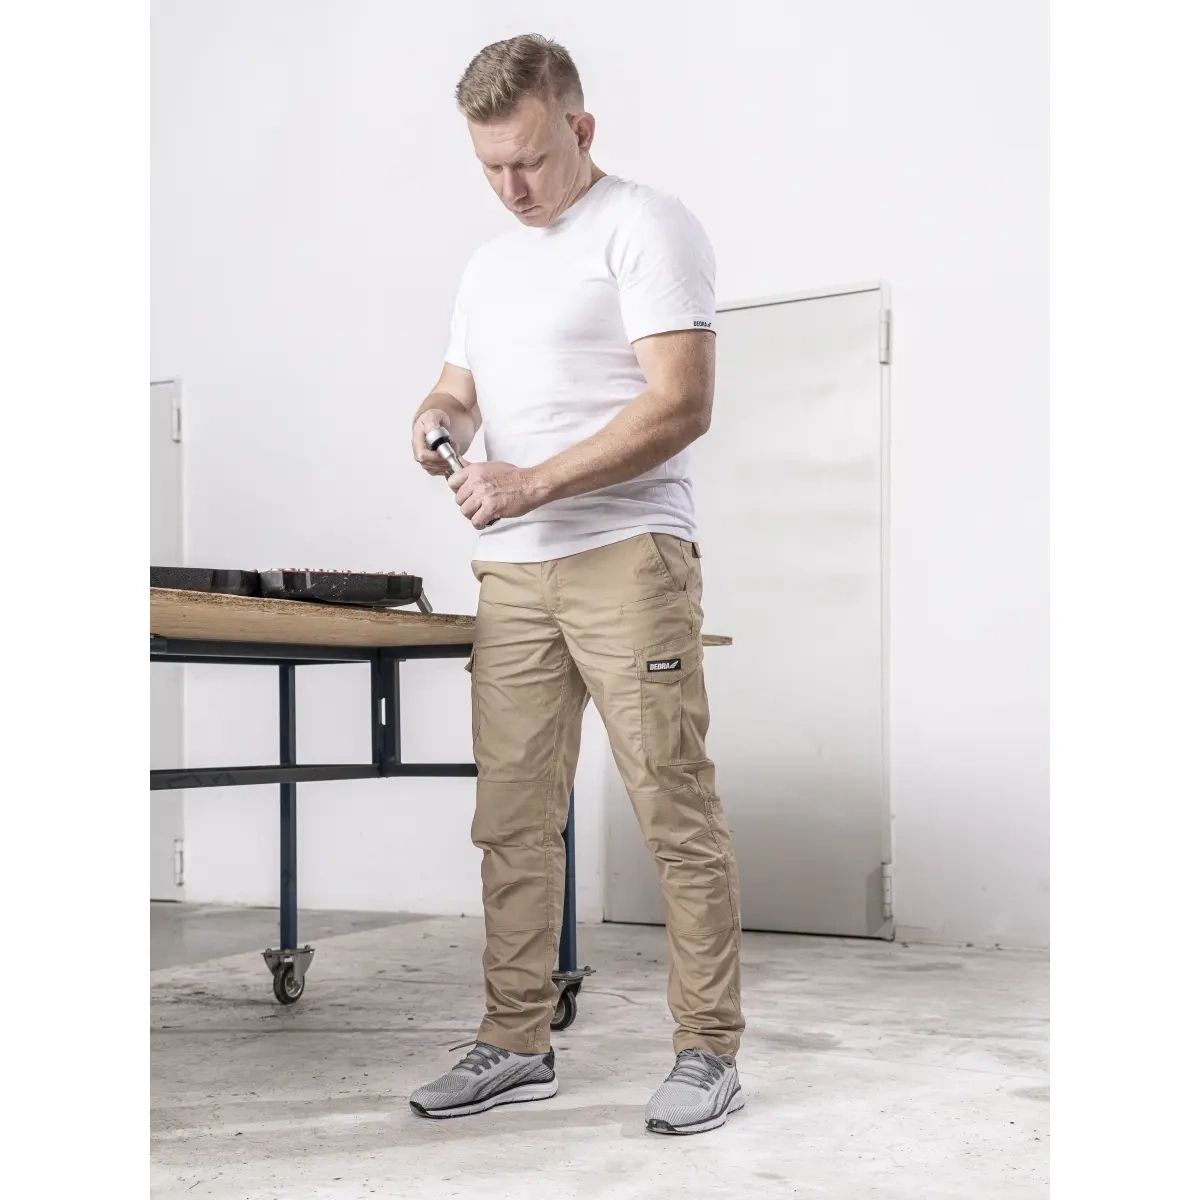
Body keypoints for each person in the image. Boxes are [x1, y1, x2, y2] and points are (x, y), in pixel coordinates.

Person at [407, 33, 746, 1136]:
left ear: (581, 128)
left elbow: (681, 403)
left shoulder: (647, 225)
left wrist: (531, 482)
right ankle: (515, 1042)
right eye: (490, 167)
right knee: (511, 817)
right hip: (514, 575)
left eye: (531, 160)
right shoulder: (488, 265)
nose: (512, 187)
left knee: (672, 807)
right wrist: (441, 420)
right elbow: (460, 389)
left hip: (628, 556)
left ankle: (707, 1050)